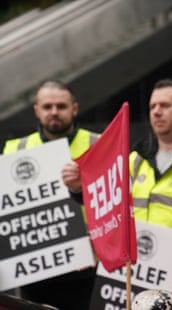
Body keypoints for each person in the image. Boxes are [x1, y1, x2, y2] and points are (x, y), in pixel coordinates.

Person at [62, 78, 172, 310]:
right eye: (152, 107)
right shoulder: (133, 160)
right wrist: (78, 186)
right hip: (131, 281)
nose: (157, 112)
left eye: (165, 106)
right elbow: (104, 204)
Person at [2, 79, 100, 310]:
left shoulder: (99, 144)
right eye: (47, 107)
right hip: (35, 270)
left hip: (87, 269)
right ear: (37, 110)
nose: (54, 112)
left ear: (74, 108)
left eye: (61, 106)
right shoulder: (15, 149)